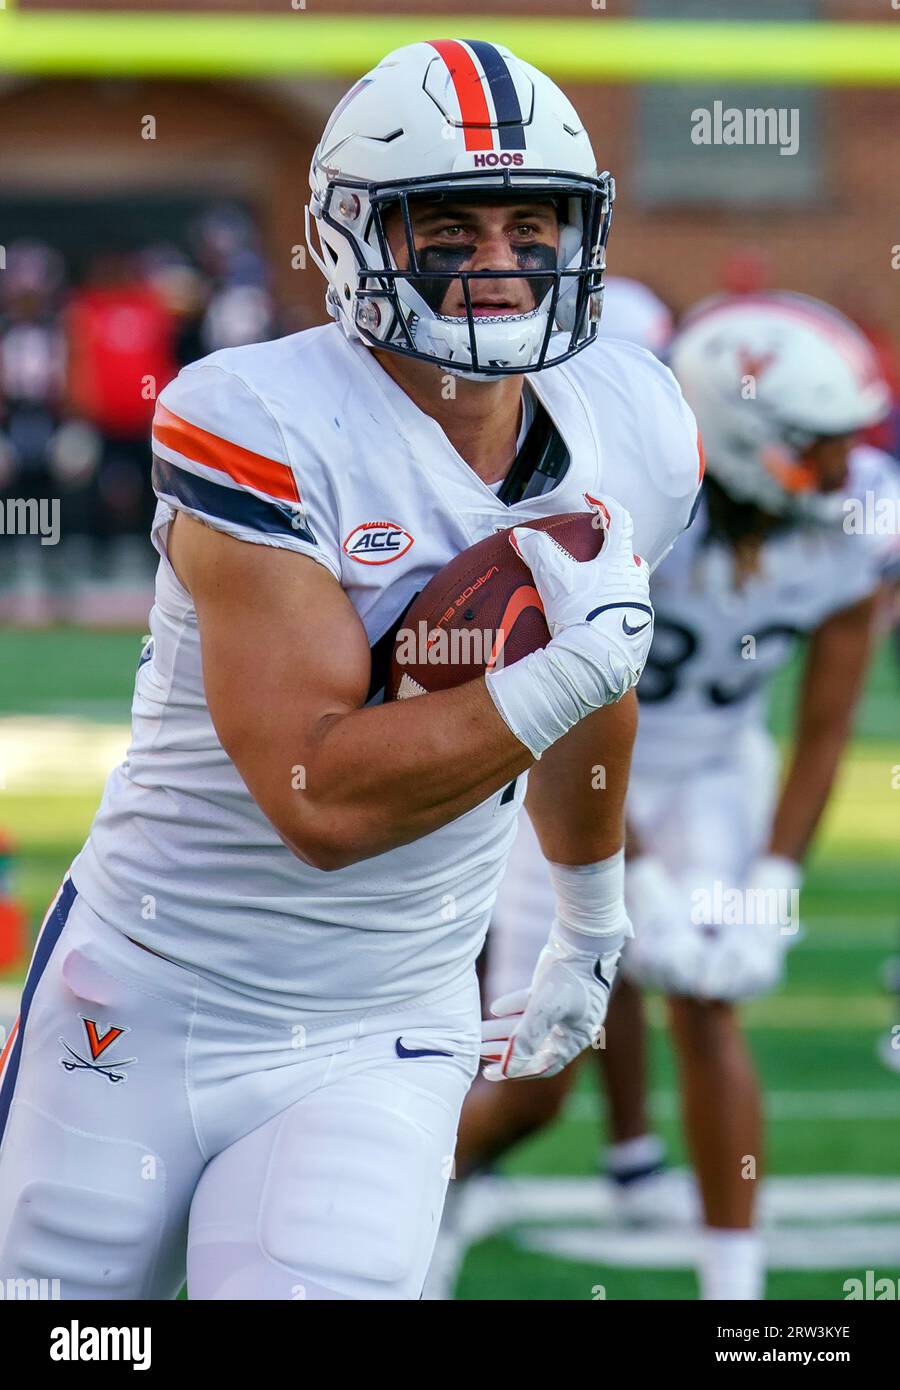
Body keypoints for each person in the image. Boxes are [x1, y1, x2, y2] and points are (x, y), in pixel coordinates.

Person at [0, 40, 701, 1301]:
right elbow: (319, 797)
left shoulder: (632, 421)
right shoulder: (257, 416)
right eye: (450, 225)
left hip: (384, 1024)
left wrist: (589, 915)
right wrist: (576, 663)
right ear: (352, 234)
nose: (499, 262)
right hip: (149, 990)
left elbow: (600, 684)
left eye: (531, 223)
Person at [452, 291, 896, 1301]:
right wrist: (627, 880)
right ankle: (420, 1205)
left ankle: (733, 1294)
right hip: (566, 775)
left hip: (711, 773)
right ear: (748, 442)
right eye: (818, 445)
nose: (843, 466)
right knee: (530, 1073)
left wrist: (778, 874)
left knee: (710, 1001)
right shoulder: (638, 511)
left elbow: (825, 724)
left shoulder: (858, 522)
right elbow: (567, 705)